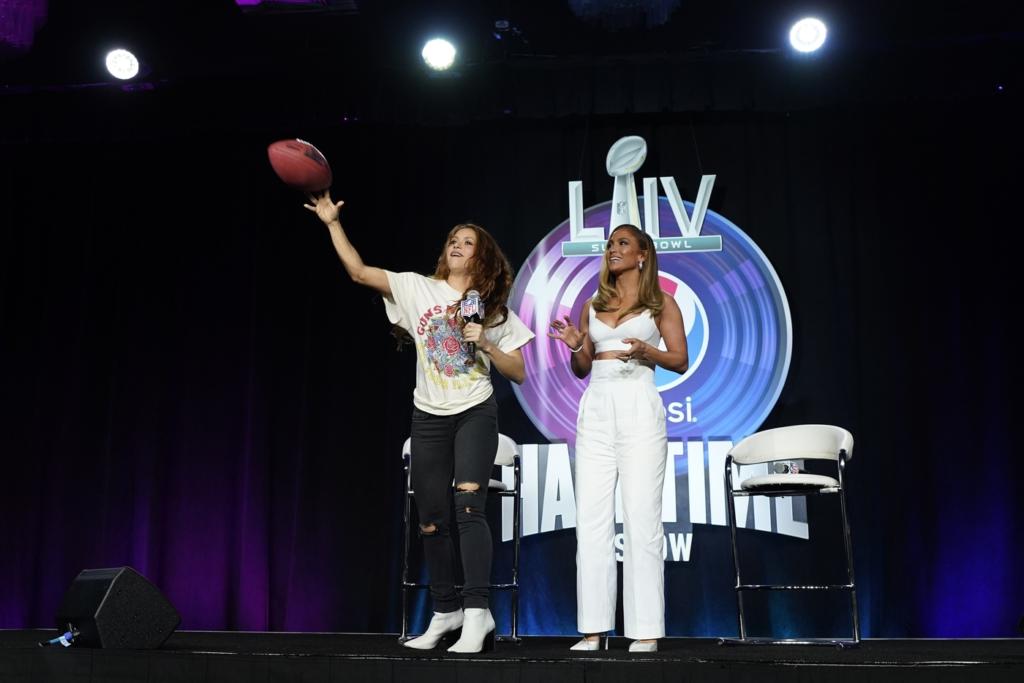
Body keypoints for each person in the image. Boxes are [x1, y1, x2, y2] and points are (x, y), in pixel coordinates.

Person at [306, 191, 534, 653]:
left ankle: (478, 613)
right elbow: (359, 272)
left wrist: (487, 343)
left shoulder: (492, 309)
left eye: (467, 242)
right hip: (428, 414)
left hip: (475, 410)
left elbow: (519, 372)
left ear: (481, 257)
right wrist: (332, 223)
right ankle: (446, 610)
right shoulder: (416, 289)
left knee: (468, 507)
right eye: (453, 240)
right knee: (430, 518)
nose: (457, 246)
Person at [548, 224, 688, 653]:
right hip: (597, 406)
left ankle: (645, 630)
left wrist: (648, 351)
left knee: (642, 519)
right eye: (610, 244)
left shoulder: (662, 302)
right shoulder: (592, 304)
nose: (613, 249)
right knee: (591, 520)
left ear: (643, 254)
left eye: (623, 243)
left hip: (639, 404)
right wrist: (577, 345)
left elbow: (680, 360)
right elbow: (582, 368)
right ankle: (593, 630)